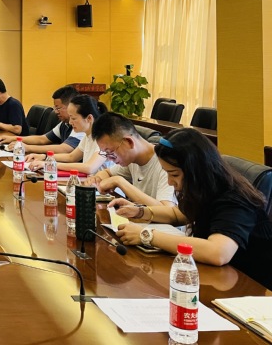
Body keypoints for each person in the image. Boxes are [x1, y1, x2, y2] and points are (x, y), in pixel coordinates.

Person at [115, 128, 272, 289]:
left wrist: (146, 235)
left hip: (250, 288)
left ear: (196, 170)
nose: (170, 182)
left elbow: (218, 253)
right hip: (219, 278)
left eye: (174, 175)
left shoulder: (234, 199)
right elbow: (178, 214)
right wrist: (141, 211)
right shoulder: (205, 189)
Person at [86, 112, 176, 207]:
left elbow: (166, 209)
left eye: (110, 152)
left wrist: (119, 181)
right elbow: (106, 173)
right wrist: (97, 180)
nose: (109, 158)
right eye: (106, 153)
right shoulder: (131, 160)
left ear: (129, 142)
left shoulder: (166, 163)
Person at [25, 95, 109, 176]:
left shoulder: (104, 138)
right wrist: (44, 157)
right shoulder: (88, 136)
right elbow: (71, 157)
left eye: (73, 118)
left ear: (89, 118)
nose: (70, 122)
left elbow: (89, 168)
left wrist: (49, 164)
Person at [0, 85, 83, 154]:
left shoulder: (80, 125)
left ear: (71, 106)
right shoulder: (64, 123)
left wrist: (27, 147)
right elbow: (42, 139)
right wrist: (12, 138)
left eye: (58, 108)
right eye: (55, 108)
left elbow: (65, 148)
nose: (56, 112)